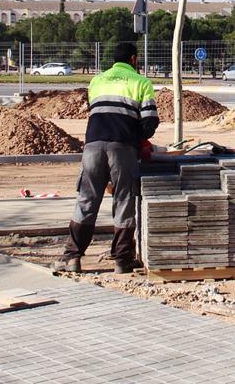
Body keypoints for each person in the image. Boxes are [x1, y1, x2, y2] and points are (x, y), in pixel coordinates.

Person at [52, 42, 159, 274]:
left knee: (87, 200)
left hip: (92, 147)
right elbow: (149, 121)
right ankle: (122, 260)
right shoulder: (141, 82)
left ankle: (72, 257)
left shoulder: (96, 81)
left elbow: (98, 113)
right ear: (133, 59)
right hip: (122, 149)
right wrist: (138, 138)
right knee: (124, 201)